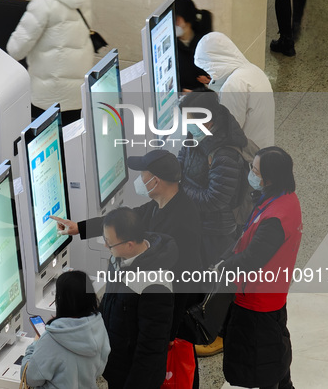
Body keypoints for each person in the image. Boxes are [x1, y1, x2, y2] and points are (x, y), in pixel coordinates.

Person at [51, 150, 202, 387]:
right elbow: (122, 221)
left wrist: (169, 334)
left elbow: (184, 283)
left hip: (168, 323)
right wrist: (80, 228)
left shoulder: (183, 223)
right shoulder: (159, 205)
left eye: (143, 174)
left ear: (156, 181)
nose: (140, 180)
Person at [216, 146, 301, 389]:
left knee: (262, 367)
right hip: (268, 296)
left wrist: (221, 269)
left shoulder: (276, 216)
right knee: (274, 362)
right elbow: (246, 237)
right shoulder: (282, 198)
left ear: (271, 177)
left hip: (257, 303)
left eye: (255, 170)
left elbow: (253, 258)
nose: (250, 173)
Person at [177, 89, 248, 356]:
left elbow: (214, 199)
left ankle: (217, 333)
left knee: (215, 281)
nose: (188, 128)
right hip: (197, 223)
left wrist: (180, 190)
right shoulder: (196, 136)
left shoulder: (225, 153)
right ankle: (201, 325)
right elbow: (182, 161)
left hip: (217, 228)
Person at [99, 207, 176, 388]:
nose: (106, 246)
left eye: (109, 243)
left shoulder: (155, 283)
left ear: (130, 244)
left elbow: (151, 347)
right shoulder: (118, 258)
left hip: (136, 376)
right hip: (117, 364)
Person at [6, 0, 94, 125]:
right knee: (71, 136)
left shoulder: (43, 3)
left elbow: (15, 50)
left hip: (47, 92)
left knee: (46, 140)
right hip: (77, 90)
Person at [21, 270, 110, 389]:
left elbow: (30, 377)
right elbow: (99, 369)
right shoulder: (98, 324)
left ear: (61, 300)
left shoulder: (52, 338)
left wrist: (36, 343)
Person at [194, 32, 275, 149]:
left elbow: (227, 130)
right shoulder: (252, 70)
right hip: (263, 145)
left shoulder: (233, 85)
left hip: (247, 154)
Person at [173, 0, 213, 91]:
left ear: (186, 18)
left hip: (202, 94)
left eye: (177, 20)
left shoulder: (204, 40)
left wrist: (211, 79)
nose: (175, 23)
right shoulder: (173, 45)